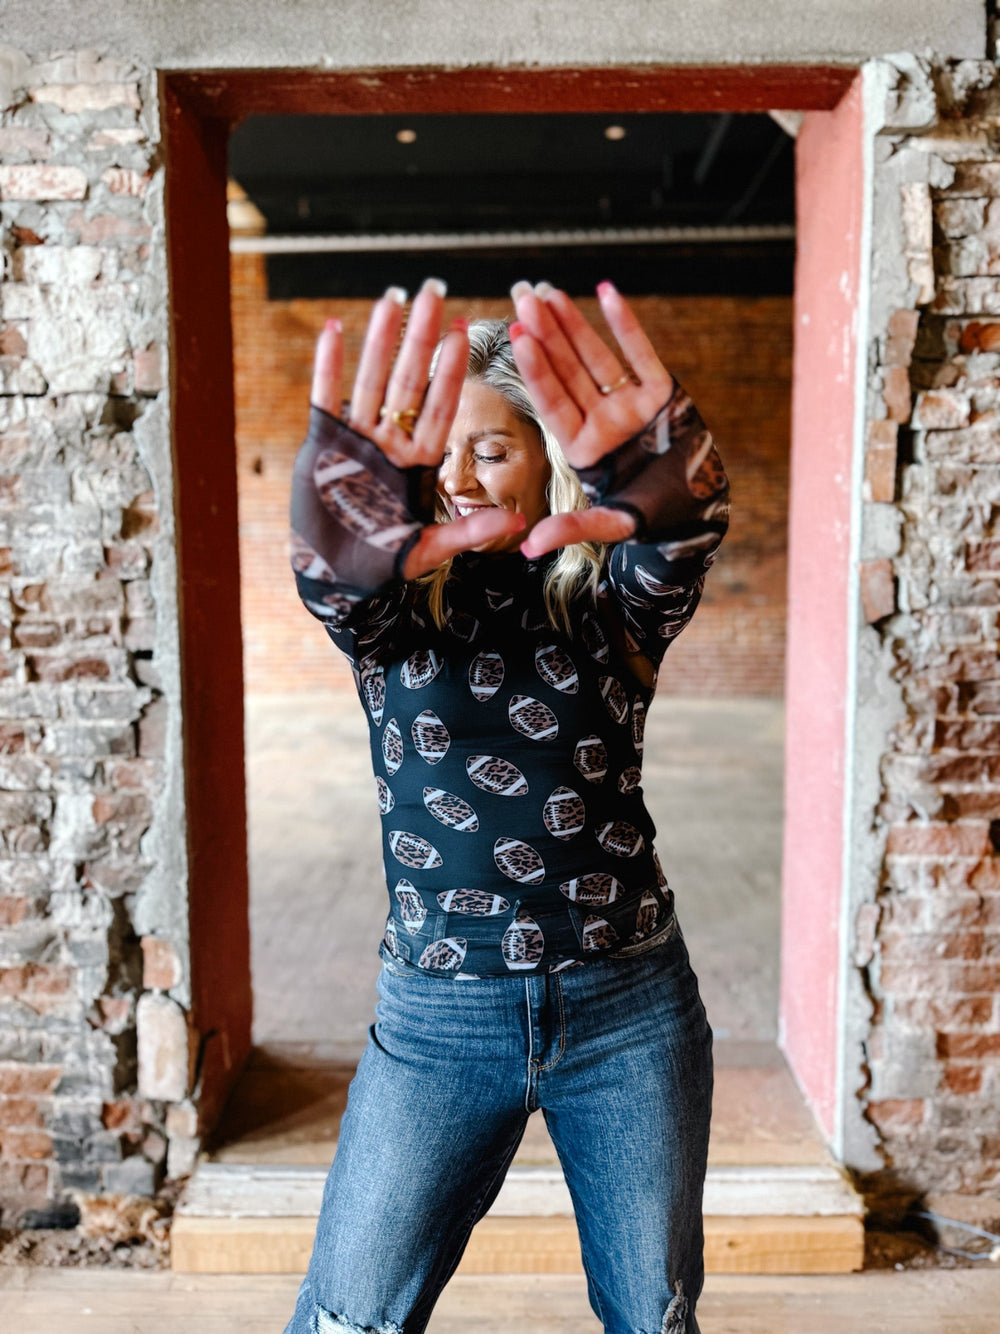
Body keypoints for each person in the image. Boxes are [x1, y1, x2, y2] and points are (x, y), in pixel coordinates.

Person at [283, 276, 729, 1334]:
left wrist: (678, 495)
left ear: (545, 461)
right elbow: (341, 587)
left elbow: (672, 549)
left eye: (489, 449)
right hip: (439, 1014)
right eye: (437, 457)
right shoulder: (393, 612)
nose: (455, 476)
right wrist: (335, 544)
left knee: (654, 1317)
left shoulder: (609, 604)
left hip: (628, 1005)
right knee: (348, 1317)